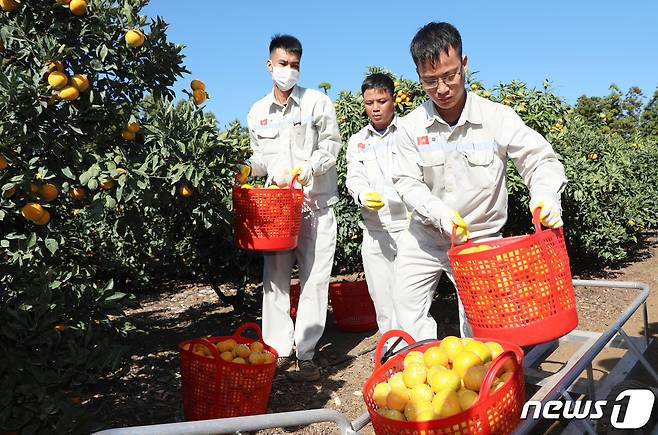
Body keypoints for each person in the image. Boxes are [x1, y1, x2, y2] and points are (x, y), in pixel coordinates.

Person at [392, 22, 567, 341]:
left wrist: (545, 195)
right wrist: (437, 213)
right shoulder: (409, 127)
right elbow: (406, 182)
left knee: (482, 329)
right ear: (418, 76)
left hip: (479, 240)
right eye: (430, 81)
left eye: (450, 75)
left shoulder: (497, 118)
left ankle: (483, 380)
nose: (442, 89)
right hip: (425, 238)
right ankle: (424, 377)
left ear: (465, 64)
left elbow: (539, 158)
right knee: (404, 313)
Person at [236, 34, 342, 381]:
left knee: (315, 279)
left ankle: (307, 352)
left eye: (295, 65)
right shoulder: (257, 112)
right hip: (278, 209)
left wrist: (310, 168)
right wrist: (246, 170)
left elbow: (331, 146)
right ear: (270, 65)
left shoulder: (317, 103)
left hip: (315, 204)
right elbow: (260, 160)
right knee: (275, 280)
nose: (289, 70)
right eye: (283, 64)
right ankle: (280, 349)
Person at [345, 73, 409, 344]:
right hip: (374, 229)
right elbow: (353, 176)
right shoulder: (358, 141)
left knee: (409, 296)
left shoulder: (409, 132)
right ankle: (392, 351)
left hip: (408, 227)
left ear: (393, 100)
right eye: (369, 102)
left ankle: (414, 348)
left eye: (381, 101)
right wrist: (361, 193)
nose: (375, 107)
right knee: (382, 296)